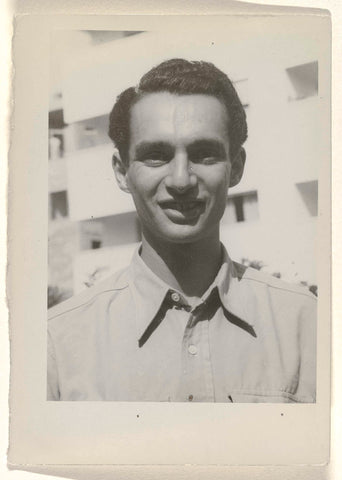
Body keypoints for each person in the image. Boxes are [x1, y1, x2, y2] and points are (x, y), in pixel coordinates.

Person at [47, 58, 316, 402]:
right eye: (156, 156)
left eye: (204, 155)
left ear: (237, 168)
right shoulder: (58, 343)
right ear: (121, 172)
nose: (180, 180)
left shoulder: (306, 325)